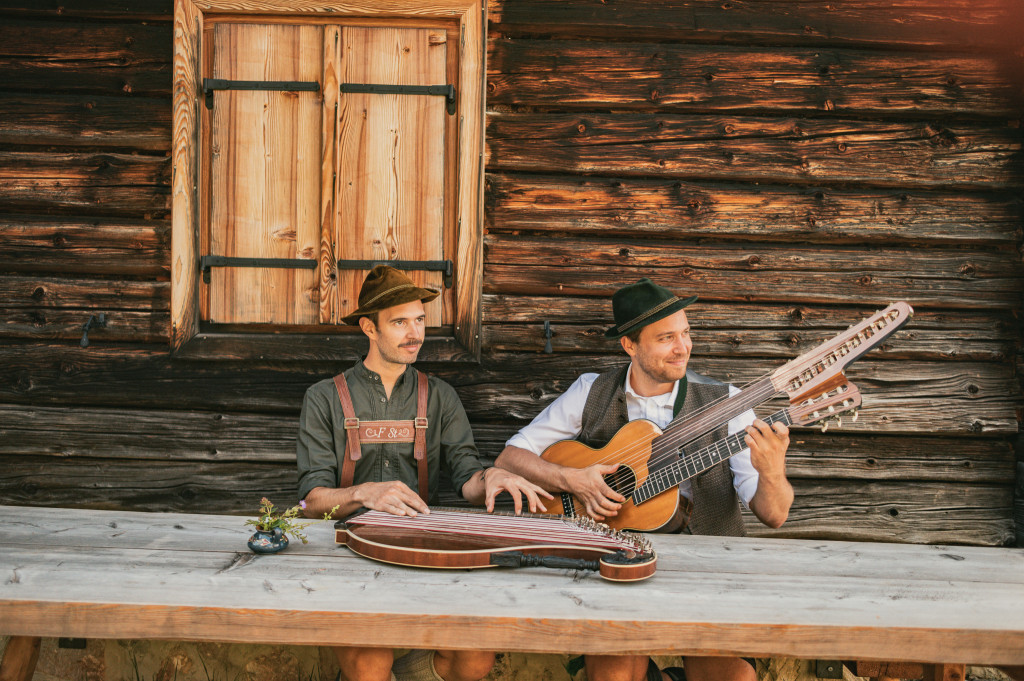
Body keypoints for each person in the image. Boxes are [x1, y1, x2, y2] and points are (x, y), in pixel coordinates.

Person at [494, 277, 793, 681]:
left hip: (705, 569)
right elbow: (512, 456)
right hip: (614, 562)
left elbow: (773, 515)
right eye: (666, 337)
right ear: (629, 346)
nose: (683, 347)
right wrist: (572, 479)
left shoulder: (726, 403)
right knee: (613, 674)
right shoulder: (591, 391)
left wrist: (772, 470)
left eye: (686, 333)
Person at [297, 265, 551, 681]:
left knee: (474, 660)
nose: (415, 333)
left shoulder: (440, 397)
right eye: (400, 322)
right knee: (370, 665)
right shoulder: (324, 397)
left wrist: (492, 478)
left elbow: (467, 478)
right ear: (369, 328)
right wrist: (364, 494)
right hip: (348, 555)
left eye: (419, 321)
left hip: (422, 552)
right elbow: (309, 502)